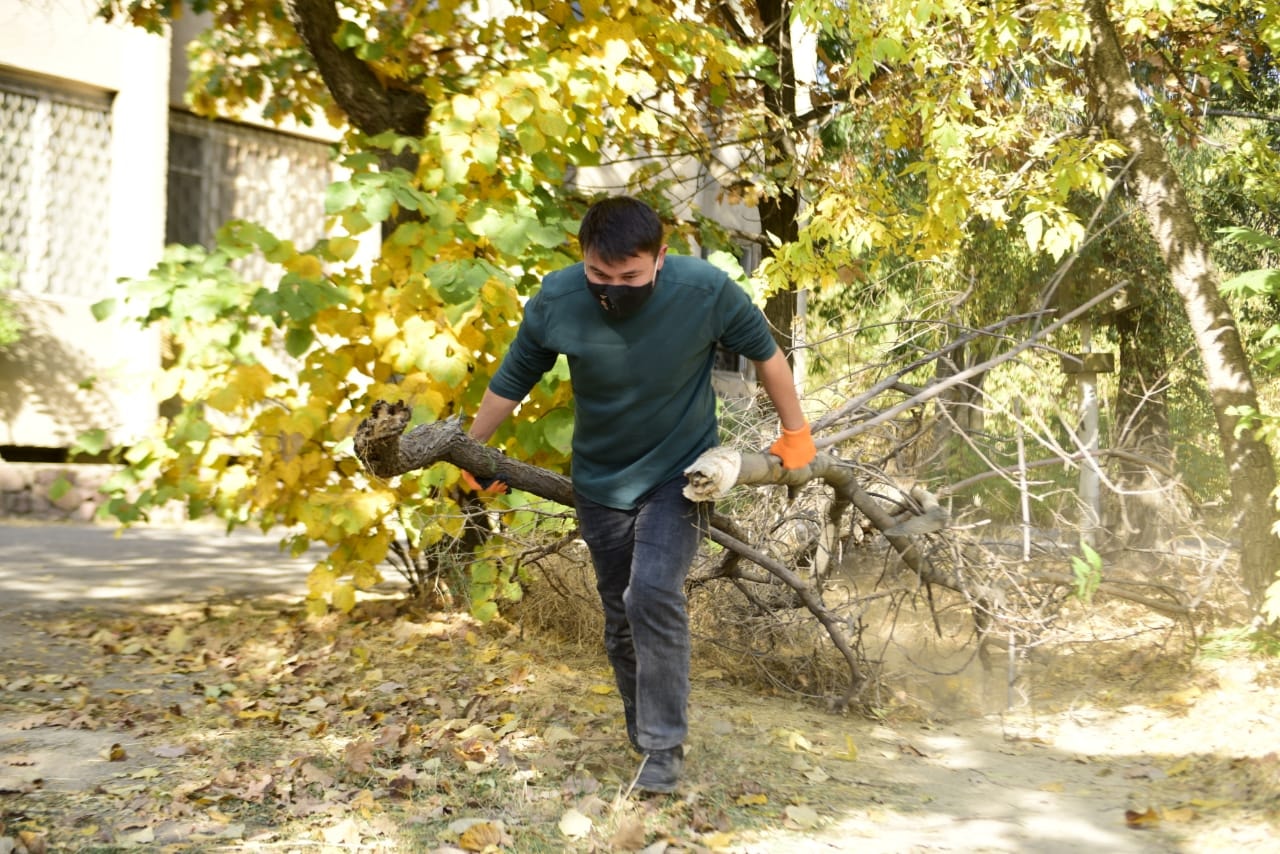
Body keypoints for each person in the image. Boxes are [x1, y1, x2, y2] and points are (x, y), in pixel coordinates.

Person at [464, 195, 815, 793]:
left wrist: (796, 433)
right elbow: (514, 378)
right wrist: (474, 450)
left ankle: (662, 749)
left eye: (629, 277)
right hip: (601, 480)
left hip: (681, 475)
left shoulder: (705, 292)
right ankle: (645, 736)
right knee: (621, 616)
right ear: (582, 258)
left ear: (660, 258)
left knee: (650, 591)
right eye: (599, 275)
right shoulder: (558, 299)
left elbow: (767, 355)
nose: (613, 290)